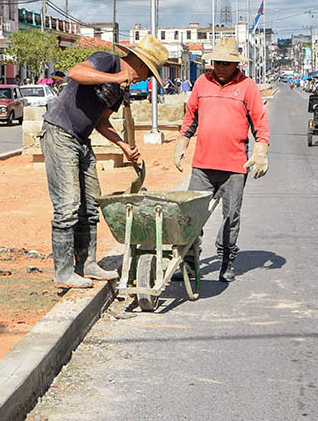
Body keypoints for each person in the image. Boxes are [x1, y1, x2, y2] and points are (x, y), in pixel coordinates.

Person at [42, 34, 169, 288]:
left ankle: (87, 263)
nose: (145, 80)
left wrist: (123, 146)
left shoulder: (121, 90)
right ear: (141, 64)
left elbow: (102, 122)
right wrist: (116, 77)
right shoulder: (107, 61)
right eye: (148, 74)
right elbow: (76, 72)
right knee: (67, 205)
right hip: (59, 132)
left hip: (82, 138)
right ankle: (63, 271)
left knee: (90, 206)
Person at [174, 38, 270, 282]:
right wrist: (182, 142)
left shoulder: (248, 87)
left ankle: (226, 262)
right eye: (217, 62)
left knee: (231, 216)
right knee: (191, 216)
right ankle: (189, 263)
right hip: (202, 166)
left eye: (226, 63)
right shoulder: (201, 83)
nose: (220, 67)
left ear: (236, 64)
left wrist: (261, 151)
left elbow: (259, 123)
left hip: (235, 167)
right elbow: (191, 117)